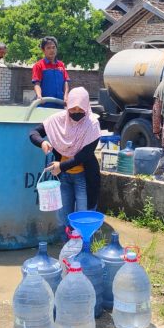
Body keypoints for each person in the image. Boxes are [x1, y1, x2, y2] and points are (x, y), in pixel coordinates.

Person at [29, 87, 101, 234]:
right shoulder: (58, 120)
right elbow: (34, 133)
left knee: (83, 217)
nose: (75, 113)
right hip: (64, 177)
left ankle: (84, 249)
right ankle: (67, 248)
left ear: (86, 107)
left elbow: (84, 155)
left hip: (84, 177)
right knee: (64, 217)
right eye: (72, 109)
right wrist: (42, 142)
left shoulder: (92, 125)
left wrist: (61, 166)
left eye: (79, 109)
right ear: (67, 107)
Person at [32, 36, 69, 109]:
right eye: (48, 48)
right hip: (44, 105)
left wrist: (66, 96)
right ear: (43, 50)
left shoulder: (61, 65)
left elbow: (65, 82)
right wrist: (39, 96)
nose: (52, 50)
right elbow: (37, 83)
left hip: (59, 104)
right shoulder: (39, 65)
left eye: (53, 47)